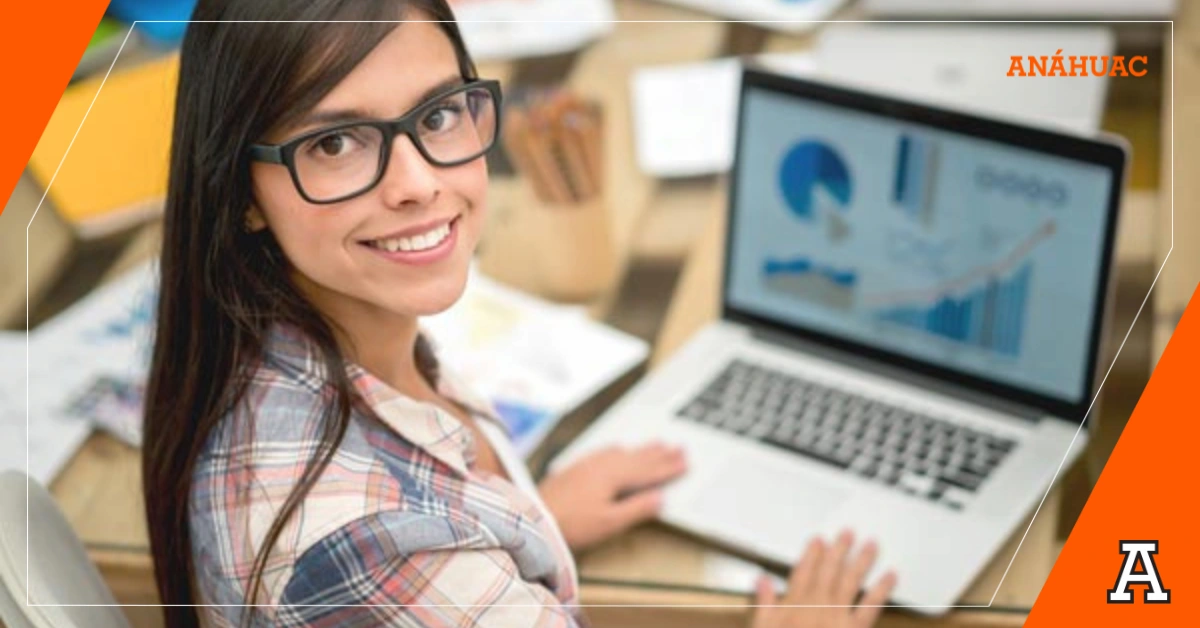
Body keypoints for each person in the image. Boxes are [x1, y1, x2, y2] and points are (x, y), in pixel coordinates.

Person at [140, 0, 898, 626]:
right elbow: (396, 571)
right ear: (240, 192)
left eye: (437, 116)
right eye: (335, 141)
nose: (417, 182)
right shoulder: (385, 554)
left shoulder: (274, 337)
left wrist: (525, 516)